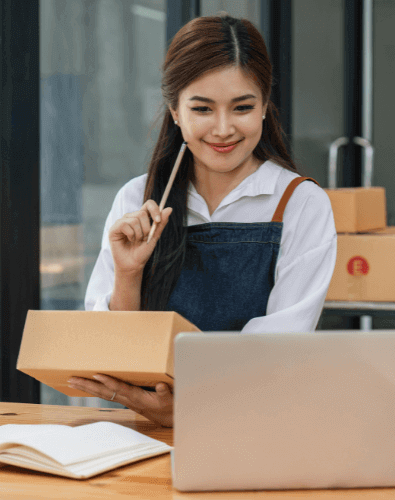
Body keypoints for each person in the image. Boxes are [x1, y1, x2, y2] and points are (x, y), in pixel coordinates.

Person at [67, 14, 337, 427]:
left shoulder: (301, 203)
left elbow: (282, 346)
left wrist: (192, 406)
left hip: (258, 426)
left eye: (243, 107)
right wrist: (127, 272)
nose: (224, 129)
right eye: (202, 108)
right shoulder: (136, 199)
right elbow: (110, 351)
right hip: (147, 432)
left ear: (265, 107)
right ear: (175, 111)